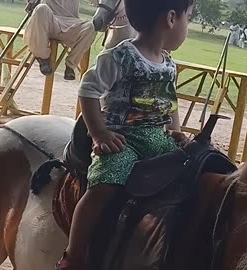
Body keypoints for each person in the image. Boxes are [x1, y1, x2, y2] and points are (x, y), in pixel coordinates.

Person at [55, 0, 194, 269]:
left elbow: (170, 102)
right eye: (189, 17)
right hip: (124, 139)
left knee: (191, 172)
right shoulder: (119, 56)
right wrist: (100, 134)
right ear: (171, 18)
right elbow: (88, 91)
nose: (189, 25)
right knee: (104, 185)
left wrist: (176, 132)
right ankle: (73, 255)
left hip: (157, 138)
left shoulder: (168, 63)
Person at [23, 0, 97, 80]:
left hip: (72, 23)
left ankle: (71, 65)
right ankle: (43, 58)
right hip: (50, 20)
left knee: (91, 26)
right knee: (41, 8)